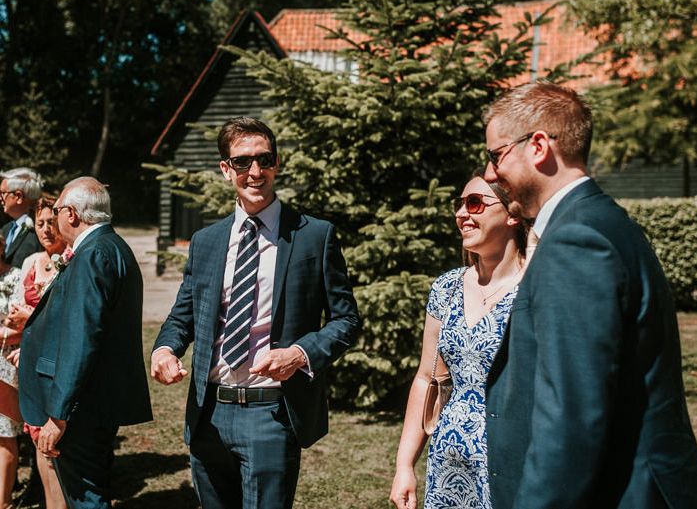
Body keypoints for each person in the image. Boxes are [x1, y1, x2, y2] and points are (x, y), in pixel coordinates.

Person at [481, 81, 697, 509]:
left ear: (538, 146)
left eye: (497, 155)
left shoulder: (577, 239)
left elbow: (571, 418)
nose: (489, 174)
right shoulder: (601, 221)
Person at [151, 116, 361, 509]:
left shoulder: (313, 235)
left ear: (276, 163)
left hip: (272, 414)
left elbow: (346, 320)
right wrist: (164, 350)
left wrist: (299, 354)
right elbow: (184, 315)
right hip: (209, 412)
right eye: (243, 162)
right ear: (225, 169)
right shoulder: (206, 241)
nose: (255, 171)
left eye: (265, 159)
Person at [390, 171, 528, 509]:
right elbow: (427, 378)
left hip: (512, 459)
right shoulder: (446, 287)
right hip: (449, 460)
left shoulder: (535, 288)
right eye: (460, 205)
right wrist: (404, 464)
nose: (461, 213)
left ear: (512, 213)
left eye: (475, 203)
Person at [18, 177, 153, 509]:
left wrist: (58, 416)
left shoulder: (92, 255)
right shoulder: (113, 247)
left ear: (73, 214)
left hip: (82, 406)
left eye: (60, 209)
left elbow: (82, 337)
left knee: (85, 497)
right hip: (99, 398)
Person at [8, 197, 70, 509]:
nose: (46, 229)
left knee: (54, 447)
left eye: (51, 222)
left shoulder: (70, 262)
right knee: (35, 438)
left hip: (56, 363)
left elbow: (63, 319)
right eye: (40, 223)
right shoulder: (31, 262)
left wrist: (27, 320)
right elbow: (16, 313)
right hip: (27, 361)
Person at [0, 231, 24, 509]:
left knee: (5, 432)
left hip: (7, 362)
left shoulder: (16, 277)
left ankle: (4, 502)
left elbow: (23, 326)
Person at [0, 168, 43, 268]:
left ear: (18, 196)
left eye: (2, 193)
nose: (0, 199)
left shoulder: (39, 230)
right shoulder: (5, 229)